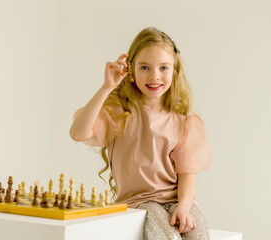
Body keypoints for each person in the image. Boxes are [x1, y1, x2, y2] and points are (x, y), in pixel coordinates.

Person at [69, 27, 211, 240]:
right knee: (163, 231)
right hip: (140, 203)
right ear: (131, 69)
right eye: (145, 67)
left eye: (163, 67)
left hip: (177, 200)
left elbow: (186, 174)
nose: (155, 76)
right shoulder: (119, 112)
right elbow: (78, 133)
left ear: (174, 70)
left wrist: (184, 206)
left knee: (198, 233)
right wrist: (107, 87)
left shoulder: (182, 122)